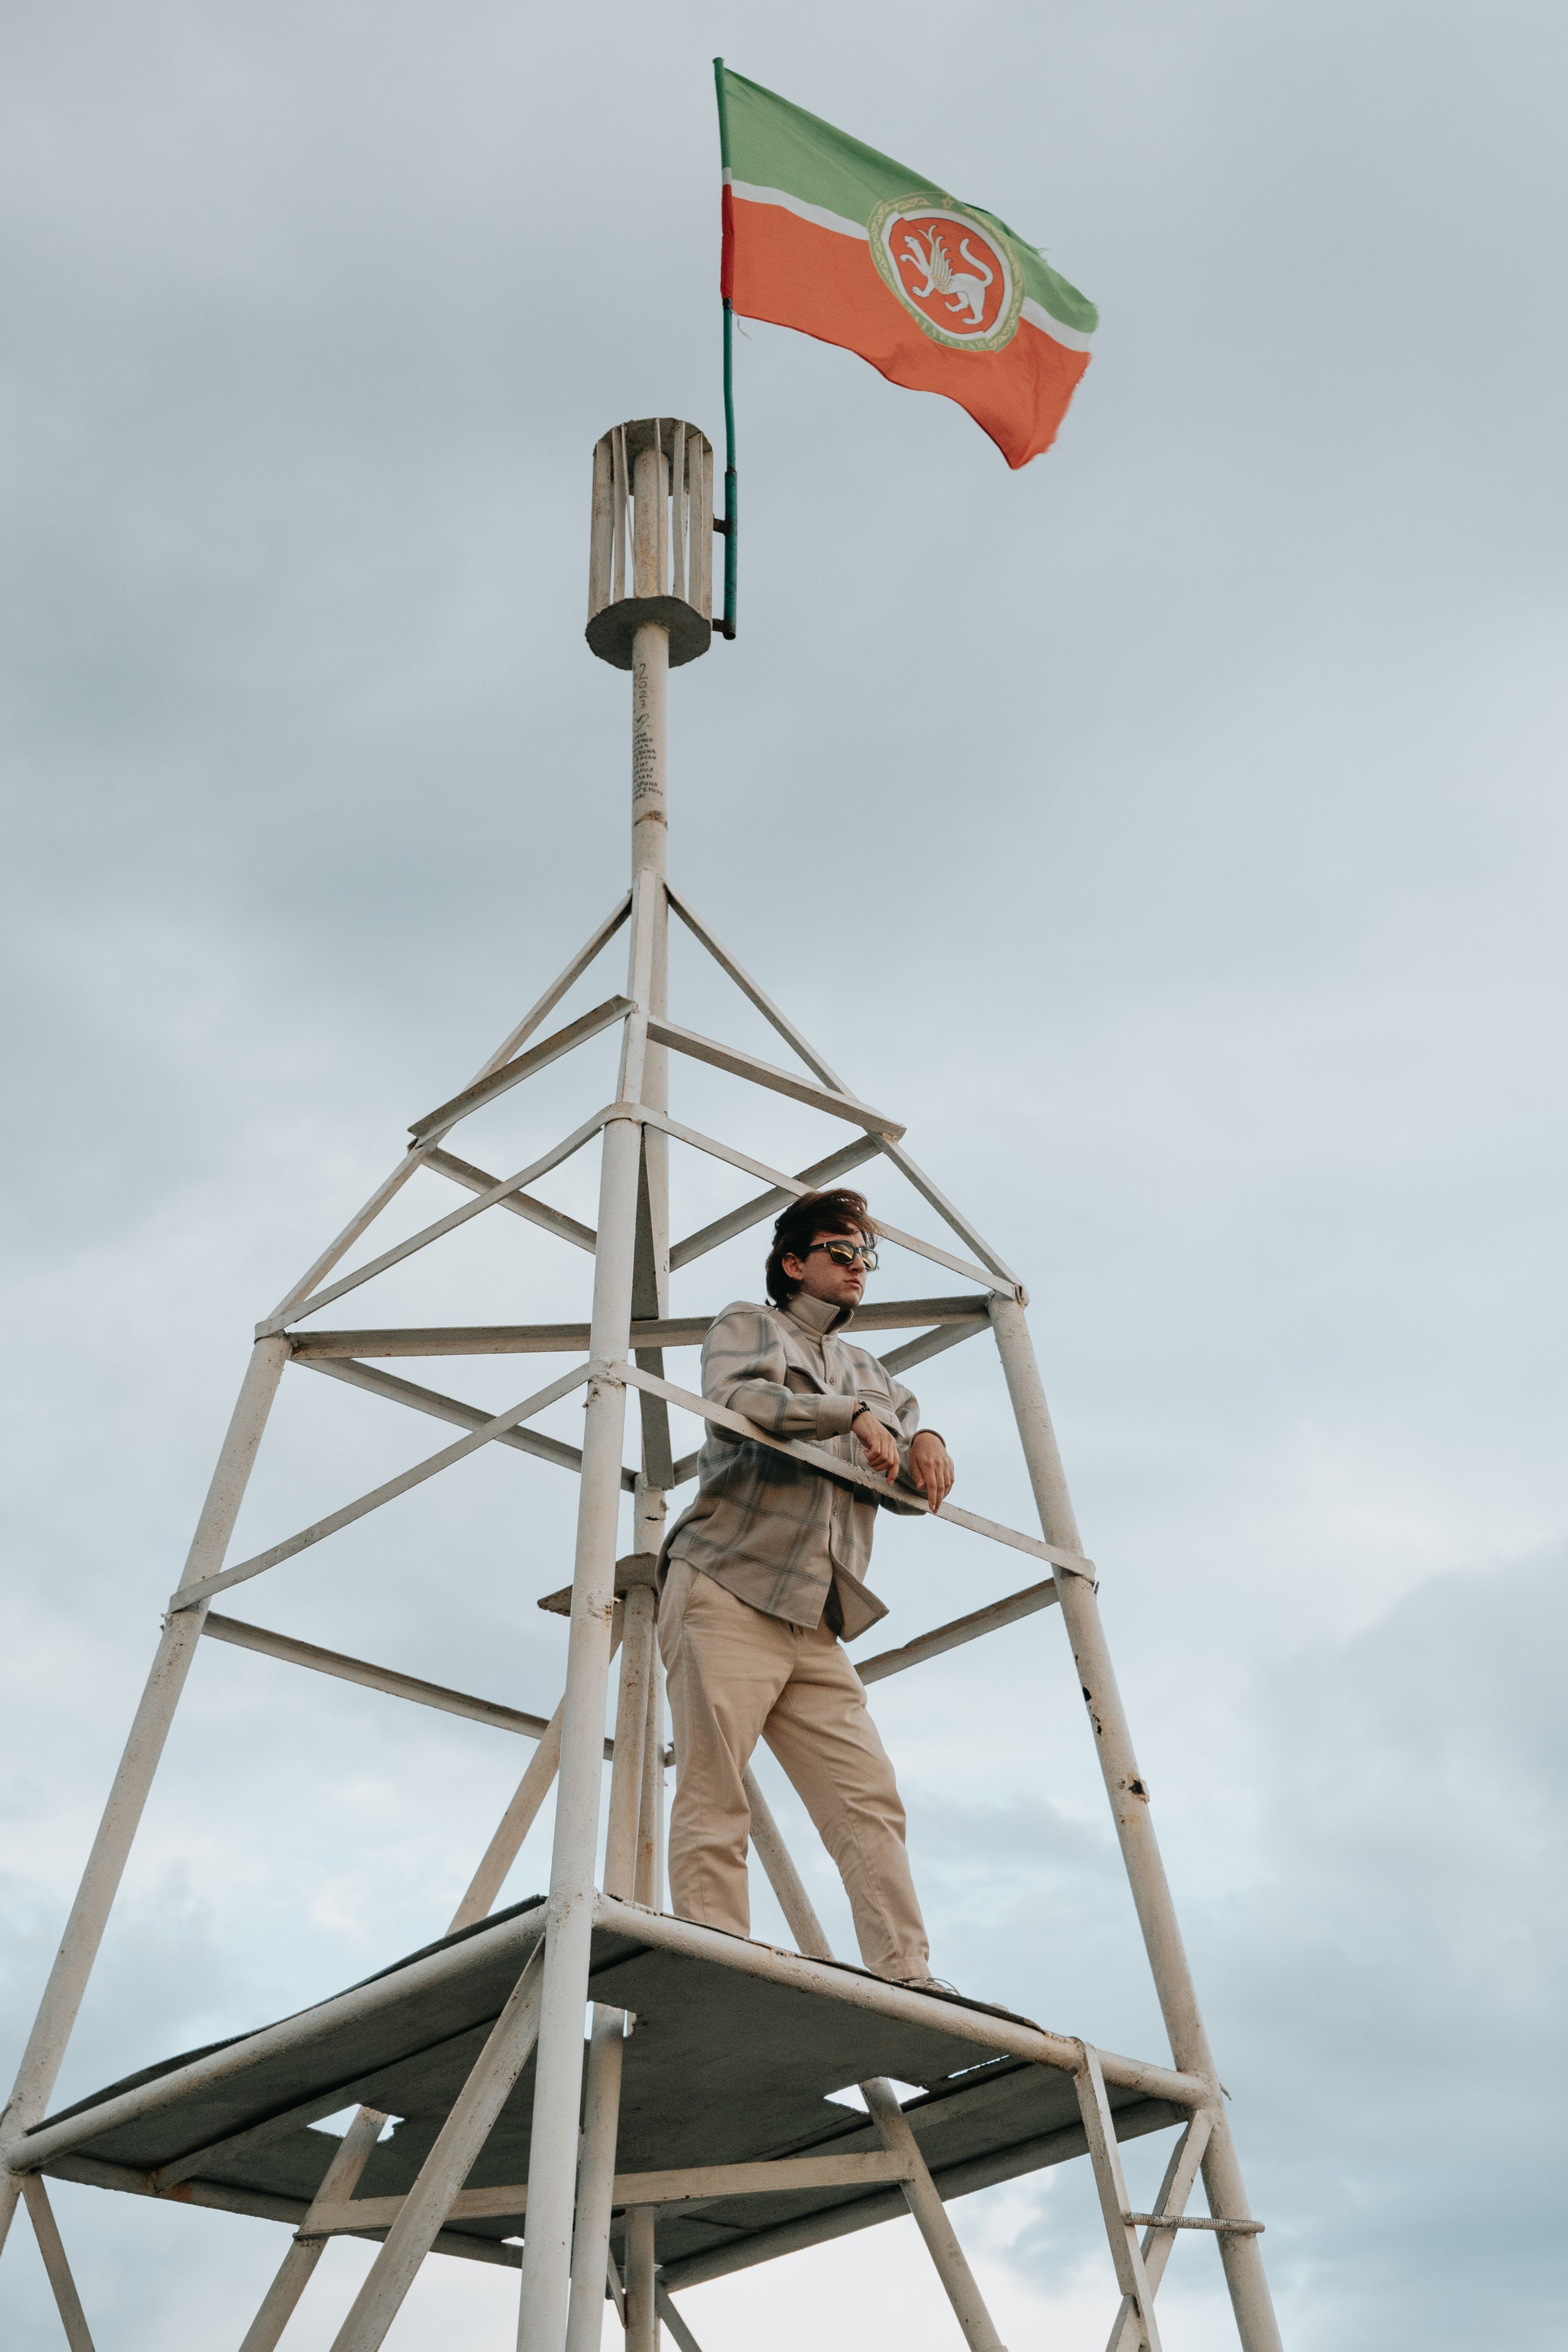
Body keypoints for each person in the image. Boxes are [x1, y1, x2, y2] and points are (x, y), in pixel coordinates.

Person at [657, 1188, 956, 1989]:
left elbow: (903, 1414)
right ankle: (718, 1953)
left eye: (867, 1256)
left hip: (815, 1615)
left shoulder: (869, 1369)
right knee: (717, 1783)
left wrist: (923, 1435)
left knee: (868, 1799)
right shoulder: (747, 1324)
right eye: (840, 1252)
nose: (858, 1267)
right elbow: (737, 1401)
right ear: (795, 1263)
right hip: (728, 1581)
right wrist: (847, 1415)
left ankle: (907, 1974)